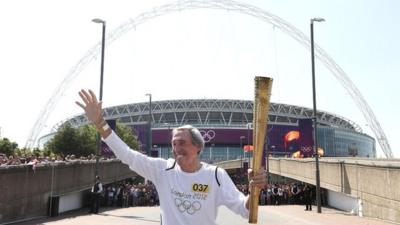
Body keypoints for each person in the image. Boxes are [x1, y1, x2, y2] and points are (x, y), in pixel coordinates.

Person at [76, 89, 267, 225]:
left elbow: (245, 210)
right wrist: (100, 123)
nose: (176, 149)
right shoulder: (163, 170)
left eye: (182, 143)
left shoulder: (216, 176)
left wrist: (254, 189)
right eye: (174, 144)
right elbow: (127, 154)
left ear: (198, 147)